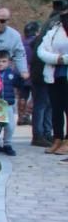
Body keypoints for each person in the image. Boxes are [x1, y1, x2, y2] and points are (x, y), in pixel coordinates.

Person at [37, 11, 68, 156]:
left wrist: (64, 59)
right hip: (54, 74)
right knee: (56, 108)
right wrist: (58, 59)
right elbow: (42, 50)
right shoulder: (55, 30)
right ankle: (57, 138)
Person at [0, 50, 18, 156]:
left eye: (4, 61)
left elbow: (18, 85)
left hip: (8, 104)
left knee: (10, 126)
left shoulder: (12, 74)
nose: (0, 64)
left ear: (9, 62)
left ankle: (7, 144)